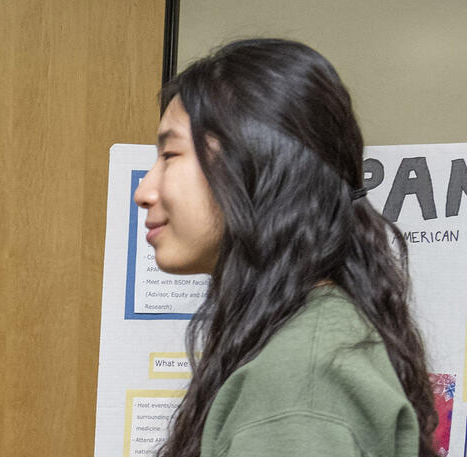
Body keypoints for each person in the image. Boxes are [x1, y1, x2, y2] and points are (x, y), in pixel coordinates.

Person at [138, 39, 437, 457]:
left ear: (258, 166)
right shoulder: (313, 338)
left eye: (170, 154)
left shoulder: (301, 379)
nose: (144, 190)